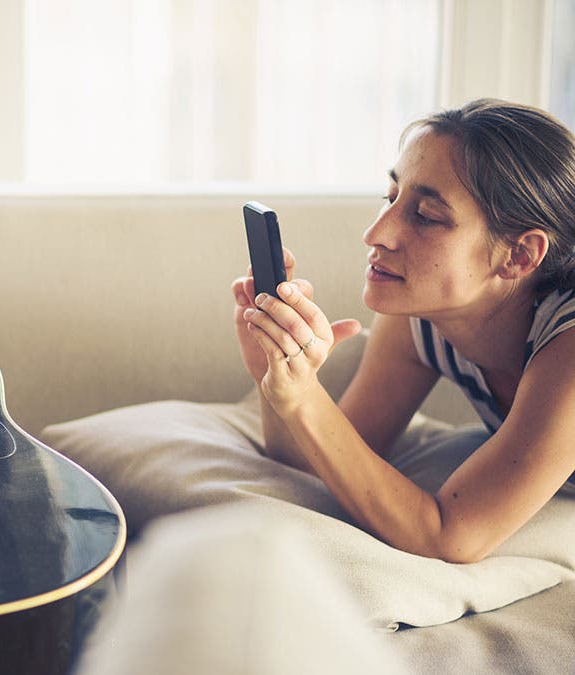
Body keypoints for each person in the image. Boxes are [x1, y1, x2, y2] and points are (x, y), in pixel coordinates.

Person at [233, 98, 575, 563]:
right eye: (391, 197)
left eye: (427, 215)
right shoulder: (419, 315)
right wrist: (276, 377)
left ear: (518, 255)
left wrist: (303, 398)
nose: (376, 233)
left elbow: (449, 536)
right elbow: (320, 459)